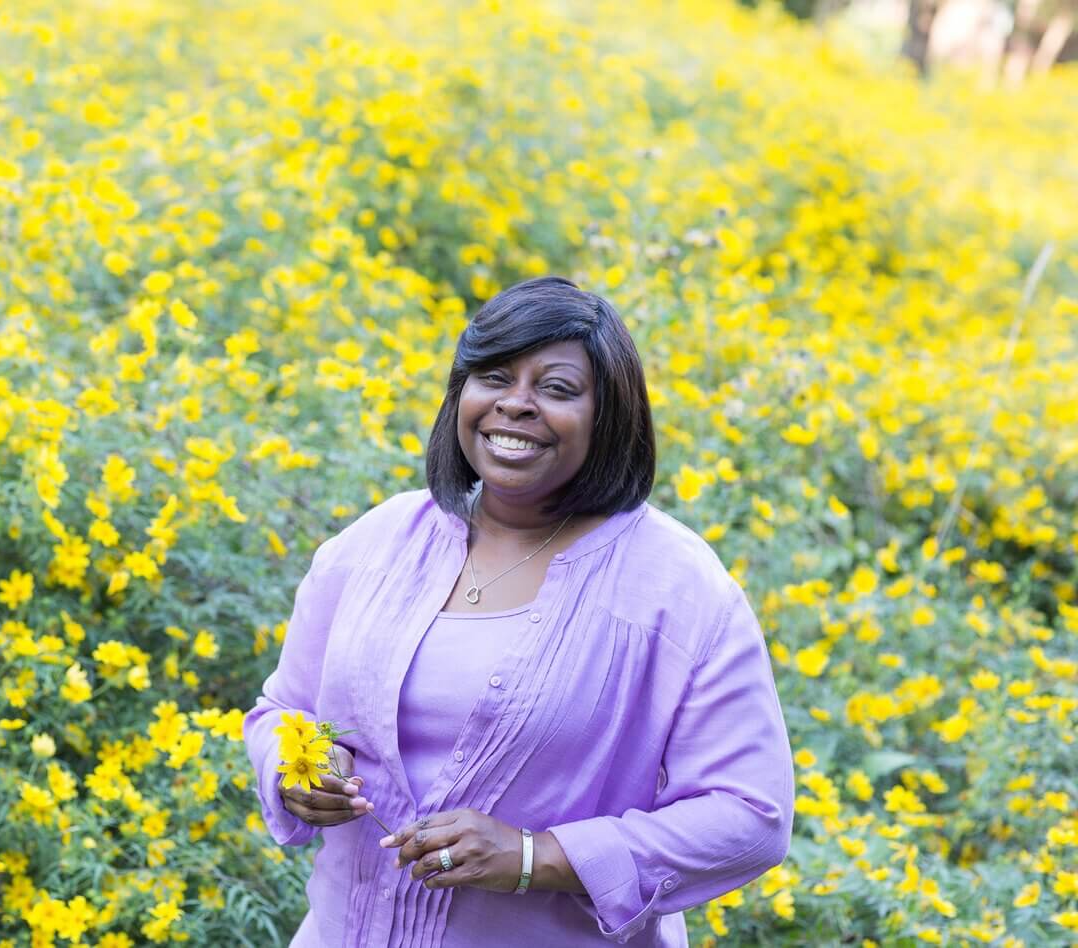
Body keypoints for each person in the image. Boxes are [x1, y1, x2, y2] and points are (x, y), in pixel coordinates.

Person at [242, 275, 794, 947]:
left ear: (609, 417)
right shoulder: (374, 546)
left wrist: (537, 858)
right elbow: (285, 712)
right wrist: (298, 772)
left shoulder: (678, 588)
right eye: (493, 377)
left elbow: (750, 815)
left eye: (556, 389)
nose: (516, 405)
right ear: (460, 396)